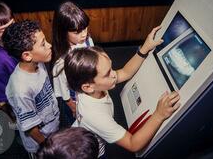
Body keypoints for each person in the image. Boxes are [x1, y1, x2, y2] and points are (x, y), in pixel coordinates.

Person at [64, 26, 181, 158]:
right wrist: (159, 114)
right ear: (88, 87)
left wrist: (144, 49)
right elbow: (133, 144)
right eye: (107, 74)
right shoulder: (95, 116)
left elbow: (125, 72)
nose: (114, 74)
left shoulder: (90, 85)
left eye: (111, 68)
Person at [4, 20, 60, 155]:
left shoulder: (38, 63)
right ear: (27, 55)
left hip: (52, 128)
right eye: (43, 44)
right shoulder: (20, 90)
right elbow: (31, 128)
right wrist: (49, 148)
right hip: (40, 143)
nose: (49, 45)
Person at [52, 1, 94, 127]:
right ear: (63, 32)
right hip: (73, 99)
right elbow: (63, 90)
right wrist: (73, 106)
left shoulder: (87, 40)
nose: (84, 34)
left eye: (85, 28)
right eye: (77, 32)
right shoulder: (61, 60)